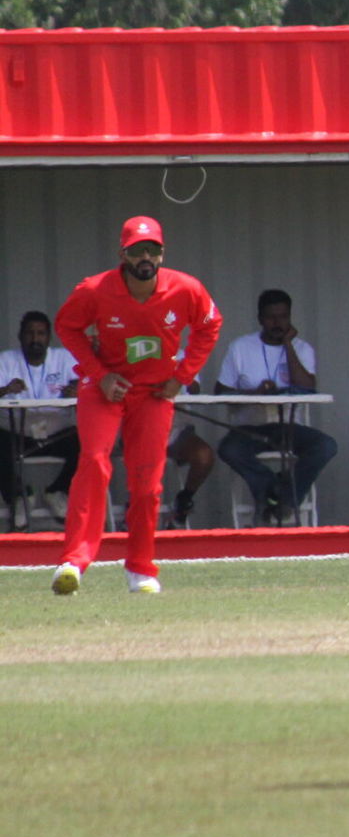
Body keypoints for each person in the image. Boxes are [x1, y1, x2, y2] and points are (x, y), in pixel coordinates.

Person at [48, 215, 223, 595]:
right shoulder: (95, 290)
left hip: (154, 394)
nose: (145, 257)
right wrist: (98, 373)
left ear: (162, 255)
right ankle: (73, 561)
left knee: (147, 483)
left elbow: (210, 324)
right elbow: (67, 326)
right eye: (137, 250)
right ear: (122, 254)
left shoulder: (186, 289)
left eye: (152, 250)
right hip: (105, 390)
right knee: (94, 461)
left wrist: (182, 376)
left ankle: (141, 568)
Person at [214, 288, 338, 523]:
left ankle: (282, 498)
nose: (277, 323)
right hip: (249, 427)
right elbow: (221, 391)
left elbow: (307, 387)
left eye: (283, 317)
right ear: (261, 319)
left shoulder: (302, 348)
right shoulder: (240, 347)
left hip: (288, 427)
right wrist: (254, 393)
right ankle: (278, 491)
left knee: (325, 446)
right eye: (271, 317)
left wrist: (288, 345)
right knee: (229, 449)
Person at [0, 310, 81, 523]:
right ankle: (19, 497)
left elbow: (84, 382)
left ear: (48, 337)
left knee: (90, 441)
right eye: (30, 333)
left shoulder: (63, 357)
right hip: (19, 434)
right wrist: (6, 389)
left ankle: (58, 491)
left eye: (41, 333)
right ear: (20, 336)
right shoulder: (6, 360)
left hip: (57, 434)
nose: (35, 339)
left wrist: (75, 389)